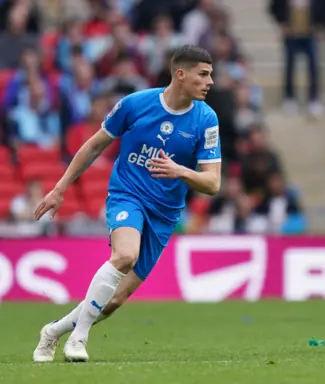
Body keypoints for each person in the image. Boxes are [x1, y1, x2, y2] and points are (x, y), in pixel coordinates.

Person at [32, 45, 222, 363]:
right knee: (124, 255)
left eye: (210, 74)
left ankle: (52, 332)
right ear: (181, 73)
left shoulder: (206, 119)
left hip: (165, 213)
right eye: (203, 74)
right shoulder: (136, 104)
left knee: (113, 301)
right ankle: (78, 339)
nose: (210, 81)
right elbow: (94, 145)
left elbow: (213, 183)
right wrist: (60, 188)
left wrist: (179, 171)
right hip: (128, 194)